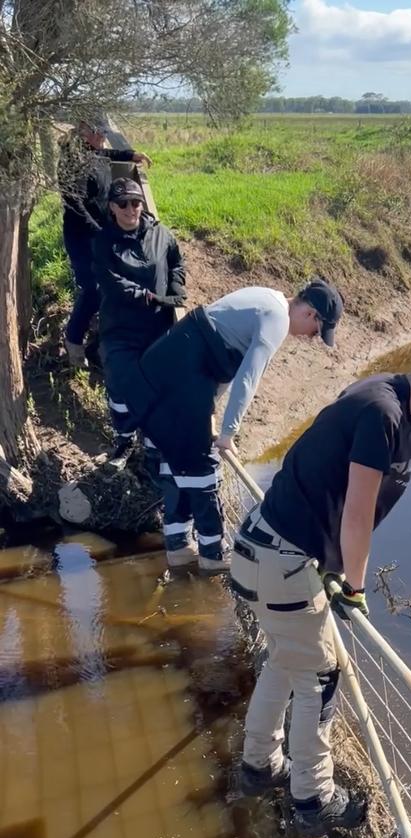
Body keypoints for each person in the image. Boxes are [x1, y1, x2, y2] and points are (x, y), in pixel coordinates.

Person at [229, 315, 411, 837]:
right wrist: (354, 587)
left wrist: (332, 569)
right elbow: (356, 513)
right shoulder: (384, 415)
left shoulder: (382, 392)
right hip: (283, 561)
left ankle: (257, 765)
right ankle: (313, 800)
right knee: (322, 676)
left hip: (259, 549)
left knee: (287, 659)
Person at [122, 280, 344, 573]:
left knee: (175, 463)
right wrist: (228, 434)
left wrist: (209, 416)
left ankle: (178, 549)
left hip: (160, 375)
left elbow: (218, 364)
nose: (311, 338)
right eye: (316, 333)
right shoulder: (276, 319)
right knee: (203, 470)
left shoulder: (266, 297)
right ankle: (214, 554)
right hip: (178, 381)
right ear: (311, 315)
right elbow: (247, 379)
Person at [93, 178, 186, 464]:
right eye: (123, 204)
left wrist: (177, 288)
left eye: (135, 202)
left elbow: (176, 263)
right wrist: (144, 295)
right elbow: (111, 281)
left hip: (157, 327)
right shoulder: (103, 241)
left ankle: (151, 443)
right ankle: (123, 439)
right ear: (112, 207)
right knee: (120, 383)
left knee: (155, 384)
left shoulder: (161, 234)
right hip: (120, 329)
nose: (130, 209)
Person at [57, 118, 152, 367]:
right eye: (98, 133)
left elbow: (106, 153)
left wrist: (132, 154)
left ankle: (94, 328)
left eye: (104, 133)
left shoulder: (93, 150)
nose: (102, 138)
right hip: (82, 236)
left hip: (98, 233)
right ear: (82, 130)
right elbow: (76, 205)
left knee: (103, 286)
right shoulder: (72, 161)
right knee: (93, 289)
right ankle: (74, 341)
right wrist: (101, 232)